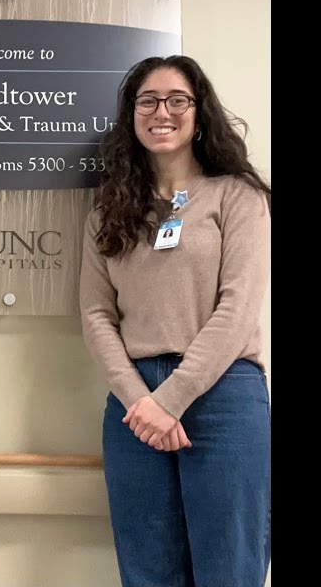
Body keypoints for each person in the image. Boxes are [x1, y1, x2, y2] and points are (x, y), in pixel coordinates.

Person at [80, 55, 272, 587]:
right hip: (133, 405)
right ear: (131, 114)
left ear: (198, 112)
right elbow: (96, 313)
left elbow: (237, 309)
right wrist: (139, 399)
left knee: (229, 569)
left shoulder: (238, 196)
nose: (161, 111)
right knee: (147, 572)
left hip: (224, 394)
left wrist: (171, 399)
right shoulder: (108, 209)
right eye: (147, 100)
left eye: (176, 100)